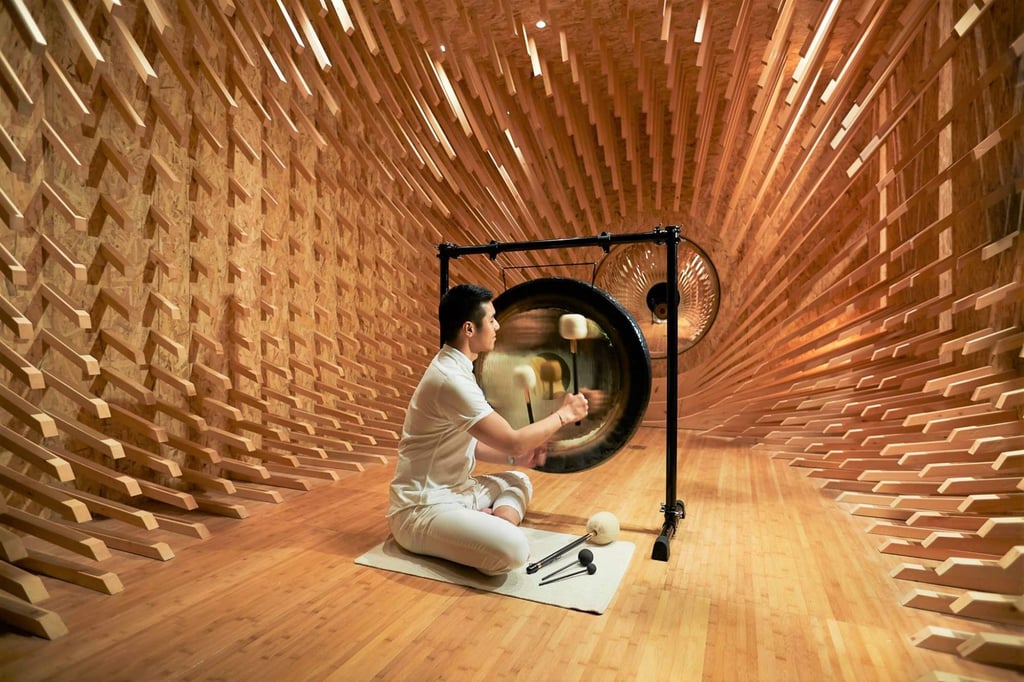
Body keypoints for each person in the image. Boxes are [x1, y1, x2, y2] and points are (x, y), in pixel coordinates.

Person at [387, 284, 590, 575]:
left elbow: (473, 444)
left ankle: (495, 523)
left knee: (519, 479)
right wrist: (564, 415)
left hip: (459, 492)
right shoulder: (450, 380)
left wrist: (513, 461)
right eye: (492, 319)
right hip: (421, 509)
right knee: (515, 551)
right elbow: (514, 441)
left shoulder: (458, 370)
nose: (497, 325)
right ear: (469, 329)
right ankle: (489, 528)